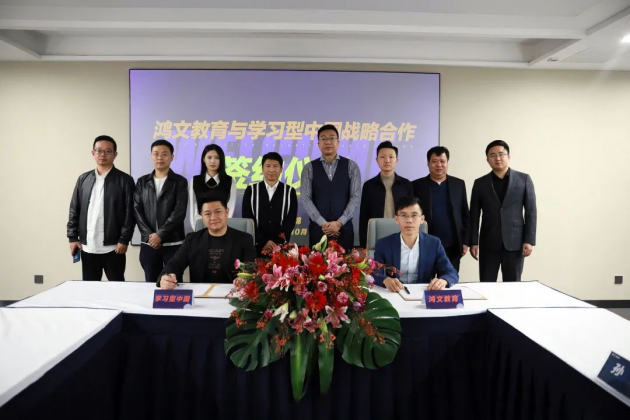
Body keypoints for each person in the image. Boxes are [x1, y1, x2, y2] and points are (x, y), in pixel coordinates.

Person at [67, 135, 135, 281]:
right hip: (88, 247)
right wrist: (72, 237)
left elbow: (130, 213)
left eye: (108, 151)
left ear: (115, 154)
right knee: (90, 288)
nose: (102, 154)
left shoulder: (125, 180)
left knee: (117, 287)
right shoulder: (83, 179)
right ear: (93, 153)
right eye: (99, 151)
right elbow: (74, 210)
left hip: (114, 247)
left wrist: (124, 240)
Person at [470, 140, 537, 282]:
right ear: (487, 160)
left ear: (509, 156)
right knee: (486, 284)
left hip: (515, 243)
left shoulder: (523, 179)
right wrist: (473, 242)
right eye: (492, 155)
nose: (498, 158)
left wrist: (529, 240)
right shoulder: (480, 183)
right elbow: (474, 215)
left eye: (501, 154)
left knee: (513, 285)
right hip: (488, 243)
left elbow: (531, 212)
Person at [159, 197, 256, 288]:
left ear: (227, 212)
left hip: (233, 292)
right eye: (207, 214)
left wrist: (245, 279)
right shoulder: (192, 240)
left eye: (218, 211)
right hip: (200, 294)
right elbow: (175, 264)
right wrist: (166, 277)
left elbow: (251, 268)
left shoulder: (244, 239)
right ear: (202, 216)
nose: (213, 217)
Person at [373, 196, 458, 292]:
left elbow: (451, 272)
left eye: (414, 215)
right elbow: (374, 272)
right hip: (394, 292)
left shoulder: (434, 243)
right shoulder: (384, 244)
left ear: (422, 219)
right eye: (403, 215)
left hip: (422, 293)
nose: (409, 220)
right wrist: (385, 280)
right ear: (396, 219)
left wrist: (444, 280)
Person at [133, 139, 188, 283]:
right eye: (156, 154)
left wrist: (160, 235)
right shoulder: (142, 182)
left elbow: (179, 212)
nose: (160, 158)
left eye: (164, 154)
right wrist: (150, 237)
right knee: (151, 283)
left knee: (174, 283)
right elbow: (137, 210)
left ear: (172, 157)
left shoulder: (180, 182)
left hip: (173, 244)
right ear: (151, 156)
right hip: (149, 244)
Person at [300, 124, 361, 250]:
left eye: (332, 138)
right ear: (318, 144)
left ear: (338, 142)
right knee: (317, 262)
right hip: (318, 230)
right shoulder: (309, 168)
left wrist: (339, 223)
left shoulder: (351, 166)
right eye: (323, 138)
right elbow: (306, 198)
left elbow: (355, 197)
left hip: (343, 230)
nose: (328, 142)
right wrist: (323, 223)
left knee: (346, 263)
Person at [412, 146, 470, 272]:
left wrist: (465, 241)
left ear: (447, 163)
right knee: (426, 281)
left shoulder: (458, 184)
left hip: (453, 245)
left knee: (449, 279)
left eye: (442, 161)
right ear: (428, 163)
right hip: (426, 243)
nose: (439, 165)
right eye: (434, 161)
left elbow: (465, 214)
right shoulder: (416, 185)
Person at [359, 141, 414, 249]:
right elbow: (364, 216)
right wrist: (364, 244)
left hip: (401, 234)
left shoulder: (406, 184)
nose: (387, 160)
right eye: (383, 157)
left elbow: (412, 213)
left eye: (391, 157)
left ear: (396, 160)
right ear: (377, 160)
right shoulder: (369, 185)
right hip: (377, 235)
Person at [242, 152, 298, 256]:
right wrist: (263, 241)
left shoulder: (290, 191)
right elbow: (247, 218)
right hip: (256, 247)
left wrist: (276, 244)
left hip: (281, 249)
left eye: (275, 166)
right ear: (262, 169)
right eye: (268, 166)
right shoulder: (251, 190)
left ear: (281, 169)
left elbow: (290, 221)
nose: (271, 170)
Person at [189, 144, 236, 230]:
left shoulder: (229, 181)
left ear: (221, 160)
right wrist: (197, 227)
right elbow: (193, 207)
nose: (213, 161)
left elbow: (230, 207)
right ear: (204, 159)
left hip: (222, 227)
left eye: (217, 158)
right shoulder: (195, 181)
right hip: (201, 226)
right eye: (209, 157)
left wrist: (222, 226)